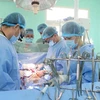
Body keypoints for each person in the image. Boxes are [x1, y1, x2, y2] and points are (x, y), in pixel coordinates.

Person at [0, 12, 25, 90]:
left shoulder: (6, 42)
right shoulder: (3, 44)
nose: (18, 36)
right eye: (20, 32)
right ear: (17, 27)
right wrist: (13, 92)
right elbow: (2, 79)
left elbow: (9, 64)